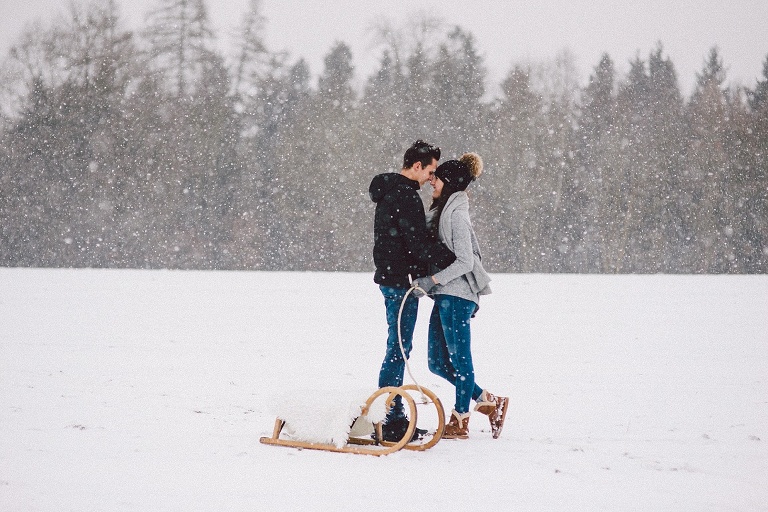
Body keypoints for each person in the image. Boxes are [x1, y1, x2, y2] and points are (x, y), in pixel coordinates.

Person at [413, 153, 509, 439]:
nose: (432, 182)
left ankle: (460, 420)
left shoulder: (455, 215)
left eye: (436, 178)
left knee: (459, 359)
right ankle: (488, 401)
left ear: (450, 183)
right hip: (445, 295)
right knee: (436, 362)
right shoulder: (446, 211)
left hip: (457, 295)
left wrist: (431, 280)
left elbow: (466, 261)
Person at [369, 140, 457, 442]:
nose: (431, 178)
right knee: (399, 350)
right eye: (430, 170)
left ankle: (388, 414)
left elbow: (404, 241)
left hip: (391, 279)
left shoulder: (389, 191)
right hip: (399, 283)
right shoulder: (405, 196)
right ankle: (389, 419)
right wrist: (452, 257)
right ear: (416, 166)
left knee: (398, 348)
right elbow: (416, 243)